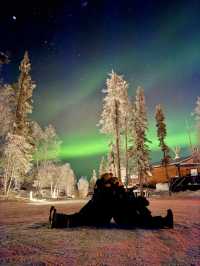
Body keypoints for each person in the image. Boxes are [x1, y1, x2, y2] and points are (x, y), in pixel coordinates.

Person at [49, 173, 173, 229]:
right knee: (80, 218)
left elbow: (125, 201)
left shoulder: (114, 191)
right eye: (112, 181)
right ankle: (58, 219)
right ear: (106, 182)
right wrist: (136, 202)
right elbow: (121, 202)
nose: (116, 182)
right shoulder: (107, 192)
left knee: (80, 217)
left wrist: (137, 201)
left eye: (116, 181)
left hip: (114, 215)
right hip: (110, 216)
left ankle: (162, 221)